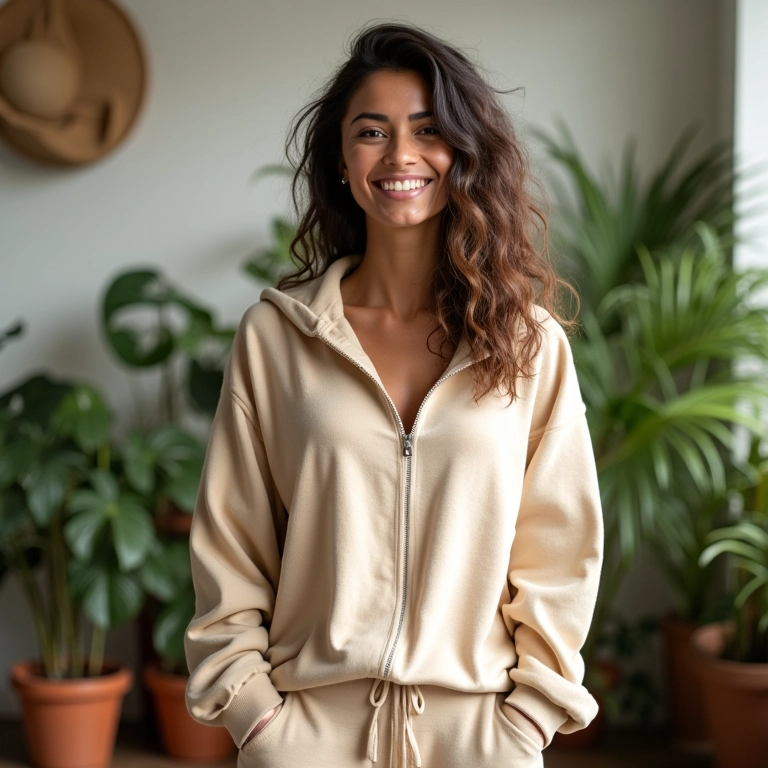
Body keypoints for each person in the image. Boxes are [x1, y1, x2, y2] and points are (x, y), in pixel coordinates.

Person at [183, 21, 603, 768]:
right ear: (342, 159)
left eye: (429, 130)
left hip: (480, 738)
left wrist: (528, 721)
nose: (401, 155)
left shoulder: (529, 344)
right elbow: (231, 547)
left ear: (463, 153)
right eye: (371, 131)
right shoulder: (277, 340)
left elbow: (560, 550)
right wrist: (256, 720)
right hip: (305, 736)